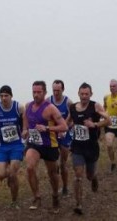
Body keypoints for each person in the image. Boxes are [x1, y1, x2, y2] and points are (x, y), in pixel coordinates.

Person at [22, 81, 68, 212]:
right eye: (34, 92)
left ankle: (55, 196)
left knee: (52, 173)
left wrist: (47, 128)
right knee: (30, 167)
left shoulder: (51, 108)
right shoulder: (28, 106)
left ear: (45, 93)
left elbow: (64, 126)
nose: (36, 95)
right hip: (34, 144)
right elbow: (25, 120)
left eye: (38, 92)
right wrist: (25, 130)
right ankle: (37, 197)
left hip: (49, 145)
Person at [68, 82, 110, 215]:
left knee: (89, 175)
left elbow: (108, 120)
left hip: (91, 147)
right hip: (77, 147)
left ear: (91, 94)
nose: (84, 96)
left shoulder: (95, 106)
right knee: (78, 175)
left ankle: (94, 177)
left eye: (87, 94)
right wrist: (66, 127)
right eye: (82, 94)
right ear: (78, 94)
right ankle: (78, 204)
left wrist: (94, 124)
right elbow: (68, 121)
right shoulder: (73, 107)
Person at [0, 85, 25, 209]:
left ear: (11, 96)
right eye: (1, 96)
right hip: (1, 146)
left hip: (16, 144)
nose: (4, 98)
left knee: (13, 174)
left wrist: (25, 132)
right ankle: (9, 175)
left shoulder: (18, 107)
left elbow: (25, 121)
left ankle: (14, 202)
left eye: (6, 96)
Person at [47, 80, 73, 197]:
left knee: (63, 163)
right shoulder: (48, 101)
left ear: (63, 89)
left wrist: (65, 126)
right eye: (54, 90)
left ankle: (66, 187)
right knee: (54, 164)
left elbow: (73, 116)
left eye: (58, 90)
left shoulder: (68, 102)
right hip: (53, 134)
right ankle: (55, 187)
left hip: (65, 135)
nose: (56, 93)